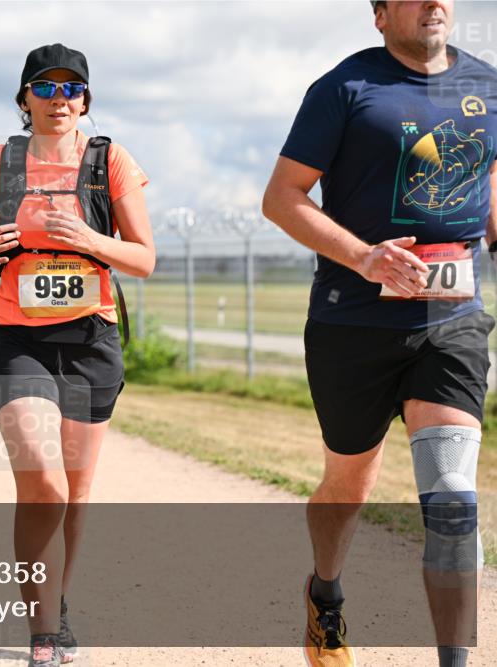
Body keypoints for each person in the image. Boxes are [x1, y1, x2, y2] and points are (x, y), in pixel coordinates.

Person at [262, 2, 496, 666]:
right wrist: (366, 256)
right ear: (381, 14)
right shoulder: (345, 88)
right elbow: (283, 197)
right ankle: (326, 594)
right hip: (350, 323)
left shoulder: (488, 85)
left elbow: (489, 174)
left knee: (452, 494)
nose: (433, 4)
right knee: (349, 485)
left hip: (450, 321)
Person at [0, 44, 154, 667]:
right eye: (46, 87)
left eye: (72, 89)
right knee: (43, 477)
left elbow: (144, 258)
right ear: (25, 99)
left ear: (85, 100)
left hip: (91, 339)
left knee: (76, 491)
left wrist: (90, 240)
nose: (59, 99)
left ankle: (55, 608)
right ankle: (42, 631)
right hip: (18, 338)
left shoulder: (109, 160)